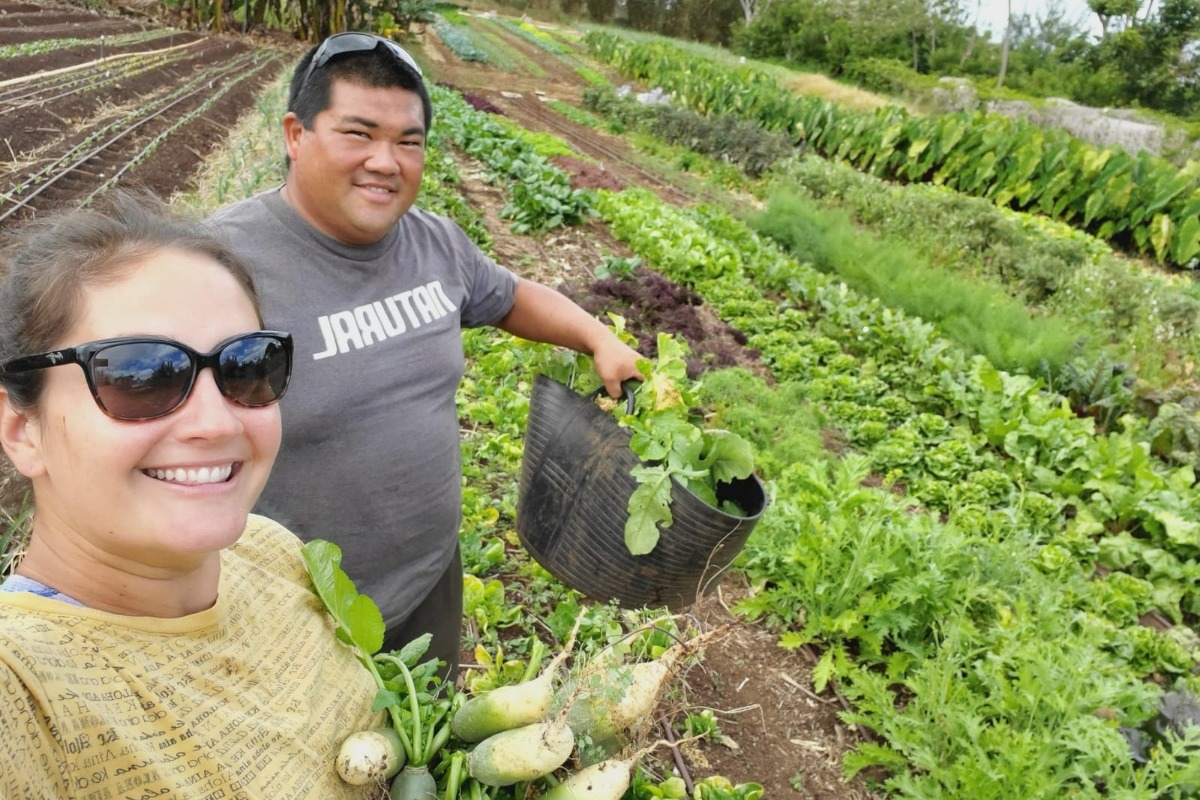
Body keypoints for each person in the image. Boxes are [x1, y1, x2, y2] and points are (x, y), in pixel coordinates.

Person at [206, 32, 643, 674]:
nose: (387, 161)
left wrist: (597, 338)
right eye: (359, 133)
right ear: (296, 135)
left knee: (422, 752)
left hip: (427, 582)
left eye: (408, 142)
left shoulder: (435, 244)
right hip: (291, 612)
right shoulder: (221, 265)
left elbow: (509, 295)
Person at [0, 193, 381, 799]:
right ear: (25, 430)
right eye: (142, 375)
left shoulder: (271, 551)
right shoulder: (24, 691)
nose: (217, 423)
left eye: (246, 366)